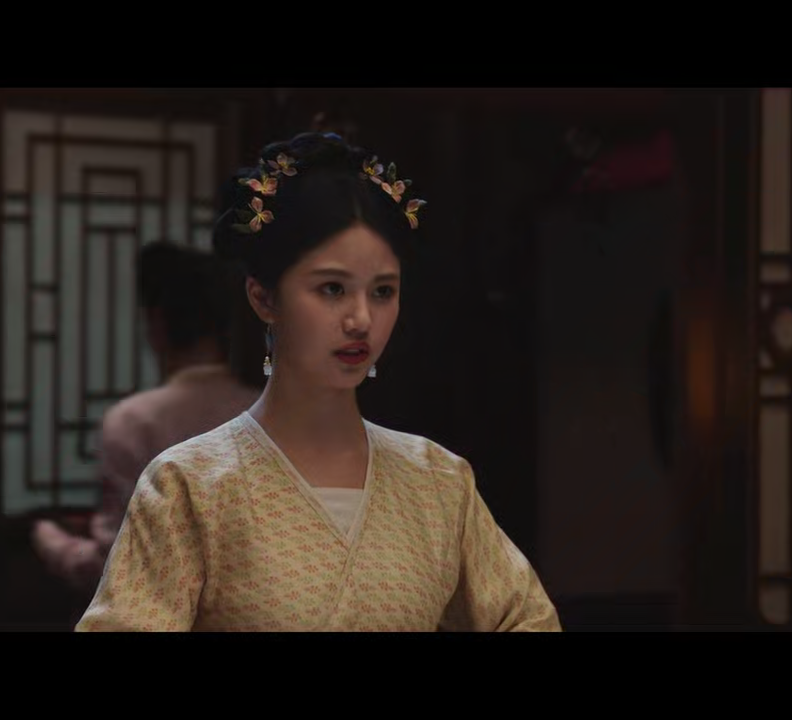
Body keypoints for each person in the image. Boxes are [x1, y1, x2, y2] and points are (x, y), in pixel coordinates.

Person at [76, 132, 561, 631]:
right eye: (332, 288)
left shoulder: (438, 480)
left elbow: (528, 619)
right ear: (264, 298)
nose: (361, 319)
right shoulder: (190, 485)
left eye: (383, 291)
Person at [32, 241, 261, 592]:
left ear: (156, 324)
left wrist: (51, 540)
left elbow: (116, 565)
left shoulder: (133, 421)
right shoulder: (265, 411)